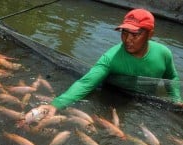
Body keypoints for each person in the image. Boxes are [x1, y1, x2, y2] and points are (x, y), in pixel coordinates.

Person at [38, 8, 183, 115]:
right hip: (114, 99)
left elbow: (172, 77)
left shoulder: (164, 53)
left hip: (145, 101)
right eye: (124, 33)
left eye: (135, 34)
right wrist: (55, 105)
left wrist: (176, 98)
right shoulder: (111, 57)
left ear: (150, 35)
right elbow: (85, 83)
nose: (127, 40)